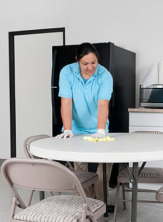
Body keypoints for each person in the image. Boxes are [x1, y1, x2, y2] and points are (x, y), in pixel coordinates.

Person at [55, 42, 114, 211]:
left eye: (93, 63)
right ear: (77, 61)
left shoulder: (105, 75)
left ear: (98, 60)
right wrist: (67, 129)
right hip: (75, 127)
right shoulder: (67, 72)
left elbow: (103, 105)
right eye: (85, 63)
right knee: (81, 167)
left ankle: (101, 203)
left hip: (98, 127)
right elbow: (66, 102)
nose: (90, 67)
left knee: (104, 163)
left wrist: (101, 130)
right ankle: (87, 202)